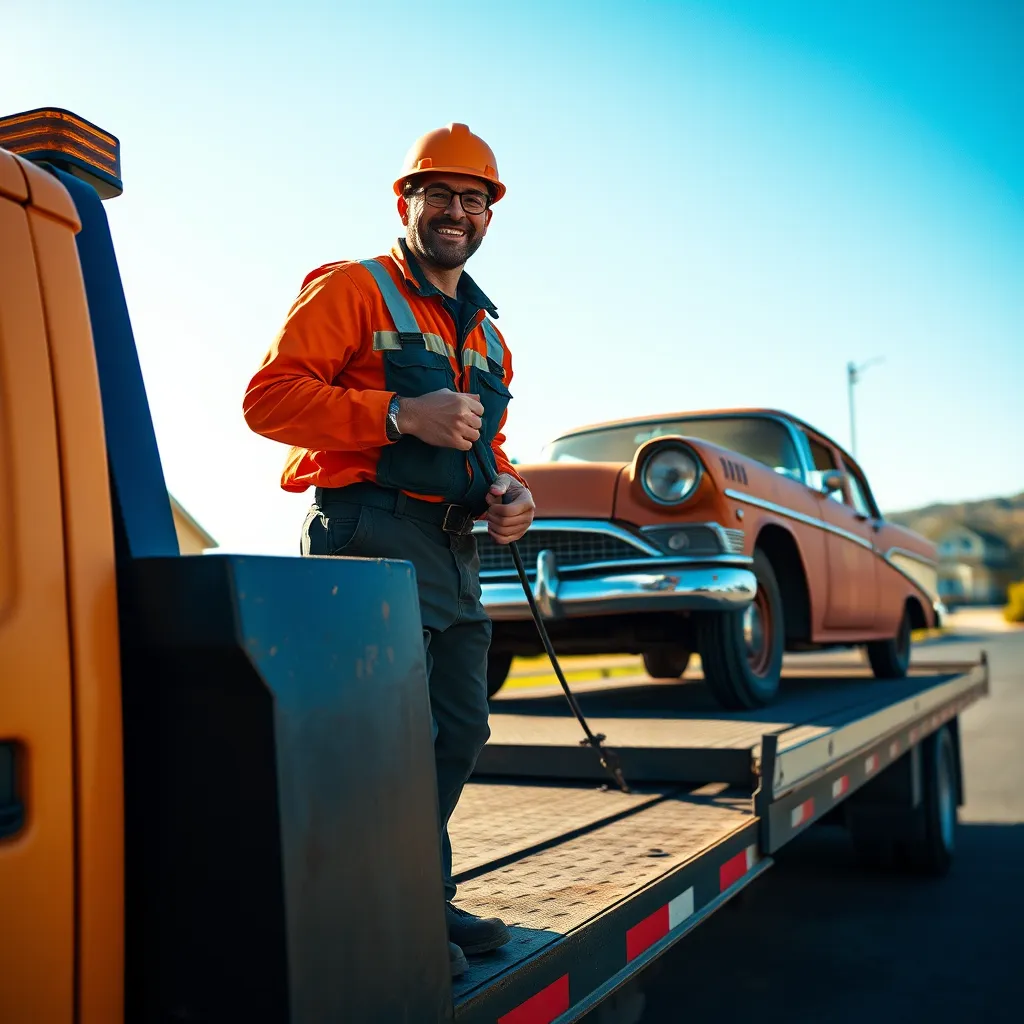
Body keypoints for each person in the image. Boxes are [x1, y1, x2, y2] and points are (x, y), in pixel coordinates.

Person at [242, 123, 535, 977]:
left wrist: (511, 495)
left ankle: (419, 895)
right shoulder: (354, 288)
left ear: (488, 215)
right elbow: (269, 400)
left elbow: (489, 446)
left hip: (453, 551)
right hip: (366, 532)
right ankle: (374, 917)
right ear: (405, 202)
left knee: (457, 730)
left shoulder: (489, 333)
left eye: (472, 198)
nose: (455, 210)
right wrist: (397, 416)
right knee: (378, 737)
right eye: (438, 194)